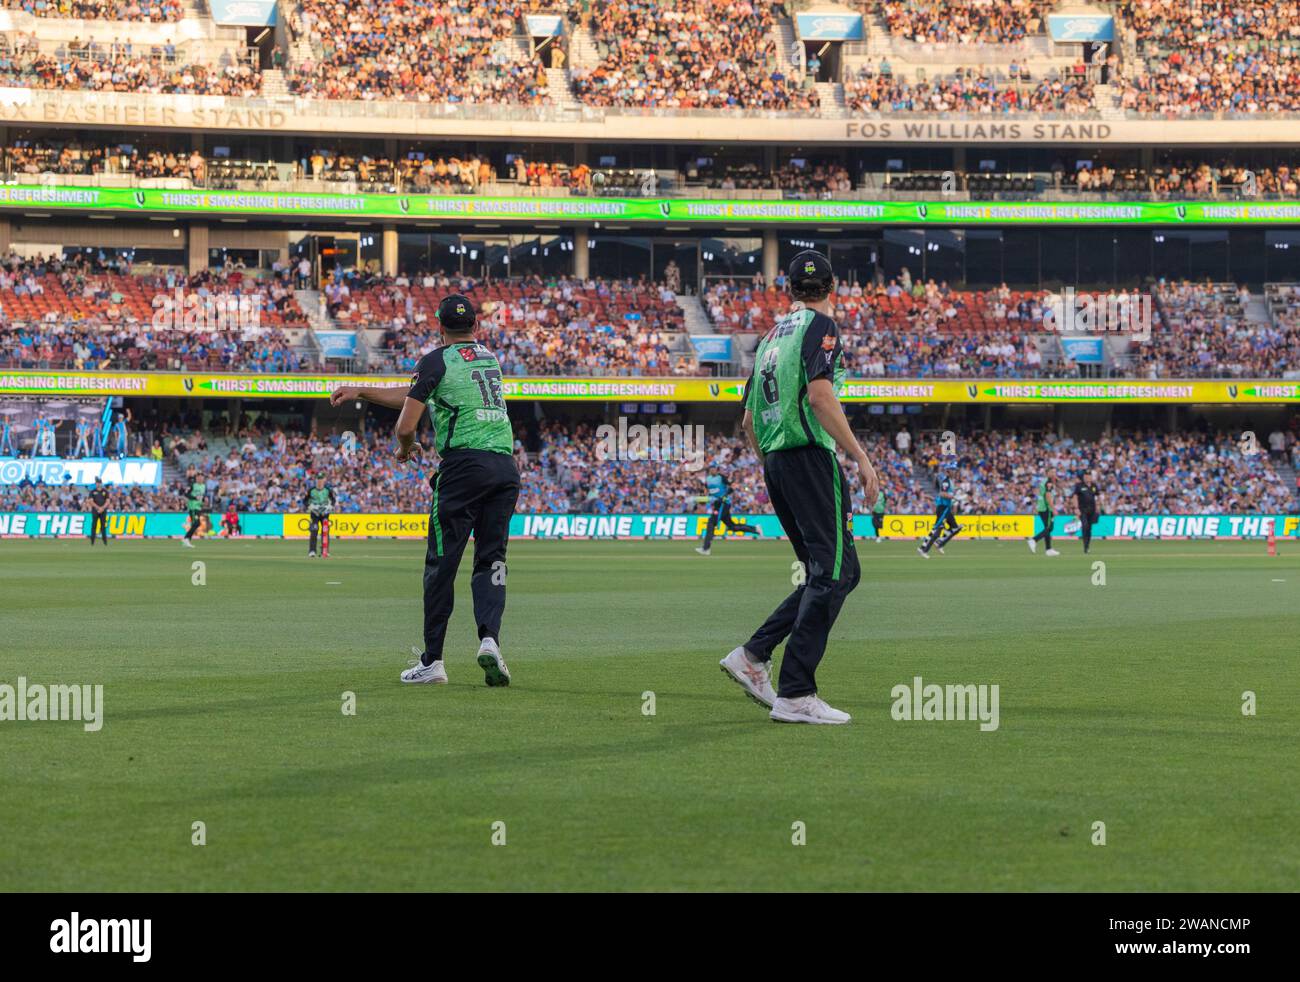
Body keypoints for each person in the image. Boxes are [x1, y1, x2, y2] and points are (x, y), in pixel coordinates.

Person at [719, 249, 878, 725]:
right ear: (835, 289)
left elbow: (747, 419)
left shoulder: (770, 337)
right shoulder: (820, 328)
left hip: (778, 462)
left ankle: (753, 655)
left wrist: (773, 464)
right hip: (810, 457)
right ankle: (795, 692)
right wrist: (862, 458)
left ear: (789, 290)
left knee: (834, 571)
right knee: (831, 573)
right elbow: (821, 396)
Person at [330, 294, 520, 688]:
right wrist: (362, 392)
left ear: (439, 325)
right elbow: (420, 390)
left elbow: (405, 424)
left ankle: (433, 661)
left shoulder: (434, 360)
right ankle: (490, 640)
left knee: (441, 565)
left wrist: (405, 448)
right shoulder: (489, 360)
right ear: (475, 325)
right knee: (491, 560)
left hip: (463, 468)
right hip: (504, 468)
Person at [695, 466, 761, 555]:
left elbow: (732, 486)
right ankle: (755, 529)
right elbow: (707, 490)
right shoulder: (708, 479)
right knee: (732, 526)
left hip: (723, 504)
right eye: (711, 468)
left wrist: (725, 494)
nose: (712, 470)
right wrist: (704, 496)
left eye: (714, 468)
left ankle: (706, 548)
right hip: (717, 504)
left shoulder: (721, 477)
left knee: (711, 523)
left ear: (716, 469)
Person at [917, 458, 960, 557]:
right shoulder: (946, 481)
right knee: (937, 529)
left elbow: (947, 493)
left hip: (946, 508)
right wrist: (953, 496)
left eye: (955, 470)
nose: (955, 471)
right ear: (948, 471)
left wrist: (955, 492)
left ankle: (939, 543)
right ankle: (923, 549)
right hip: (943, 508)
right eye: (953, 470)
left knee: (955, 528)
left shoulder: (950, 482)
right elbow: (942, 493)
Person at [304, 474, 336, 558]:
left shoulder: (327, 490)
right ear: (316, 480)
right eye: (318, 479)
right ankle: (312, 551)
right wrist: (309, 506)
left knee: (325, 532)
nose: (320, 481)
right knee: (314, 531)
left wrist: (330, 506)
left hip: (325, 513)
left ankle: (325, 550)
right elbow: (305, 500)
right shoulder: (311, 490)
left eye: (321, 479)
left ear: (324, 480)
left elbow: (333, 500)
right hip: (315, 513)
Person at [1028, 475, 1059, 556]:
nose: (1054, 474)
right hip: (1047, 508)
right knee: (1049, 528)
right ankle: (1034, 540)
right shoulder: (1049, 483)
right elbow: (1048, 495)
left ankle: (1048, 549)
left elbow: (1041, 494)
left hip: (1042, 507)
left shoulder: (1043, 482)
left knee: (1047, 528)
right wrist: (1053, 508)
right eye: (1052, 473)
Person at [1073, 470, 1102, 554]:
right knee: (1085, 525)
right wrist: (1076, 508)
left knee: (1089, 528)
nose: (1087, 477)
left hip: (1092, 510)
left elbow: (1098, 496)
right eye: (1085, 476)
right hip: (1082, 510)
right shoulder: (1079, 486)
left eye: (1089, 476)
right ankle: (1085, 544)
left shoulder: (1094, 485)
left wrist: (1099, 506)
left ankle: (1087, 546)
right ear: (1083, 477)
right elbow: (1075, 497)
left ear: (1091, 477)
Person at [182, 469, 207, 548]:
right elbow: (186, 494)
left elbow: (201, 497)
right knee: (196, 523)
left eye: (201, 477)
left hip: (199, 507)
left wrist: (204, 500)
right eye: (198, 476)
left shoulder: (203, 486)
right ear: (196, 478)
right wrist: (194, 497)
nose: (200, 478)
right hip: (193, 507)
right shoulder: (192, 485)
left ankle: (186, 539)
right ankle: (186, 539)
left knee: (197, 523)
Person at [87, 477, 110, 546]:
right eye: (97, 483)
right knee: (94, 525)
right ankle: (92, 541)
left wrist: (102, 508)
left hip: (103, 511)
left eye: (99, 483)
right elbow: (91, 501)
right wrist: (98, 508)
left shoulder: (105, 491)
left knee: (103, 526)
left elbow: (108, 501)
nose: (98, 484)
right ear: (96, 483)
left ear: (101, 483)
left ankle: (104, 540)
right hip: (95, 511)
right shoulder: (92, 492)